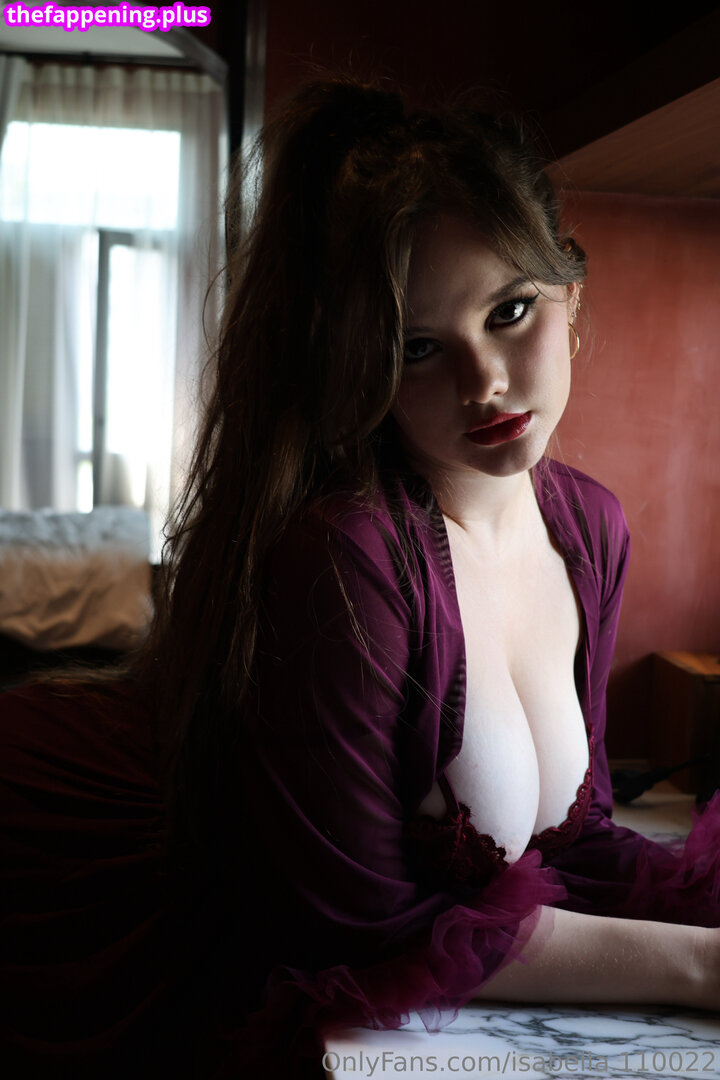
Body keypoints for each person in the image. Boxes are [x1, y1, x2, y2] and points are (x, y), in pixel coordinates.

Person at [1, 75, 719, 1079]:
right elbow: (364, 925)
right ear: (361, 365)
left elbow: (579, 840)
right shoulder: (346, 555)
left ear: (573, 290)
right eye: (418, 348)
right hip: (68, 899)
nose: (484, 383)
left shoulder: (590, 528)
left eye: (511, 310)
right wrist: (698, 968)